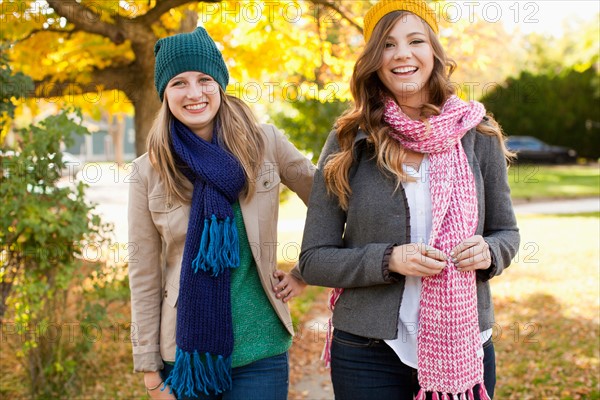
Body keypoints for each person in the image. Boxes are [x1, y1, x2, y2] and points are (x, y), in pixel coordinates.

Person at [298, 1, 520, 399]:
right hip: (367, 350)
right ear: (373, 60)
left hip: (465, 341)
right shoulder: (350, 140)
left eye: (415, 40)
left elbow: (506, 233)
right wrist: (390, 260)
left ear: (433, 50)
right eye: (387, 44)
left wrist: (489, 252)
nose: (402, 53)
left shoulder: (478, 133)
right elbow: (314, 259)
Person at [128, 27, 314, 400]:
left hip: (260, 351)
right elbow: (144, 274)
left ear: (220, 84)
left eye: (204, 79)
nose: (194, 93)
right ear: (164, 93)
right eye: (179, 82)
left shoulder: (266, 144)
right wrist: (150, 375)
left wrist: (306, 270)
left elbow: (331, 202)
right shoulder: (148, 170)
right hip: (185, 357)